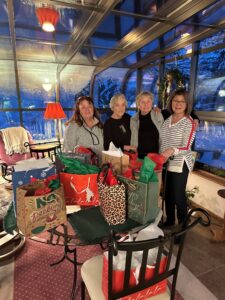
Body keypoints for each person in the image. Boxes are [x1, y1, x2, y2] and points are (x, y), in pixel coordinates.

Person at [159, 89, 196, 227]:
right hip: (166, 162)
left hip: (181, 164)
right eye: (175, 100)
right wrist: (160, 157)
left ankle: (182, 226)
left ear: (187, 104)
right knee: (167, 194)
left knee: (178, 197)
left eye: (182, 101)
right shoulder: (168, 120)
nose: (178, 104)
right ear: (171, 102)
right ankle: (169, 221)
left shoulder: (189, 122)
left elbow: (186, 146)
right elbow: (162, 142)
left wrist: (171, 151)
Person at [130, 91, 164, 159]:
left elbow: (164, 135)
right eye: (142, 102)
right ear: (138, 104)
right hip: (138, 158)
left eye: (148, 101)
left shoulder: (158, 115)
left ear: (152, 103)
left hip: (156, 157)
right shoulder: (133, 120)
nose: (146, 105)